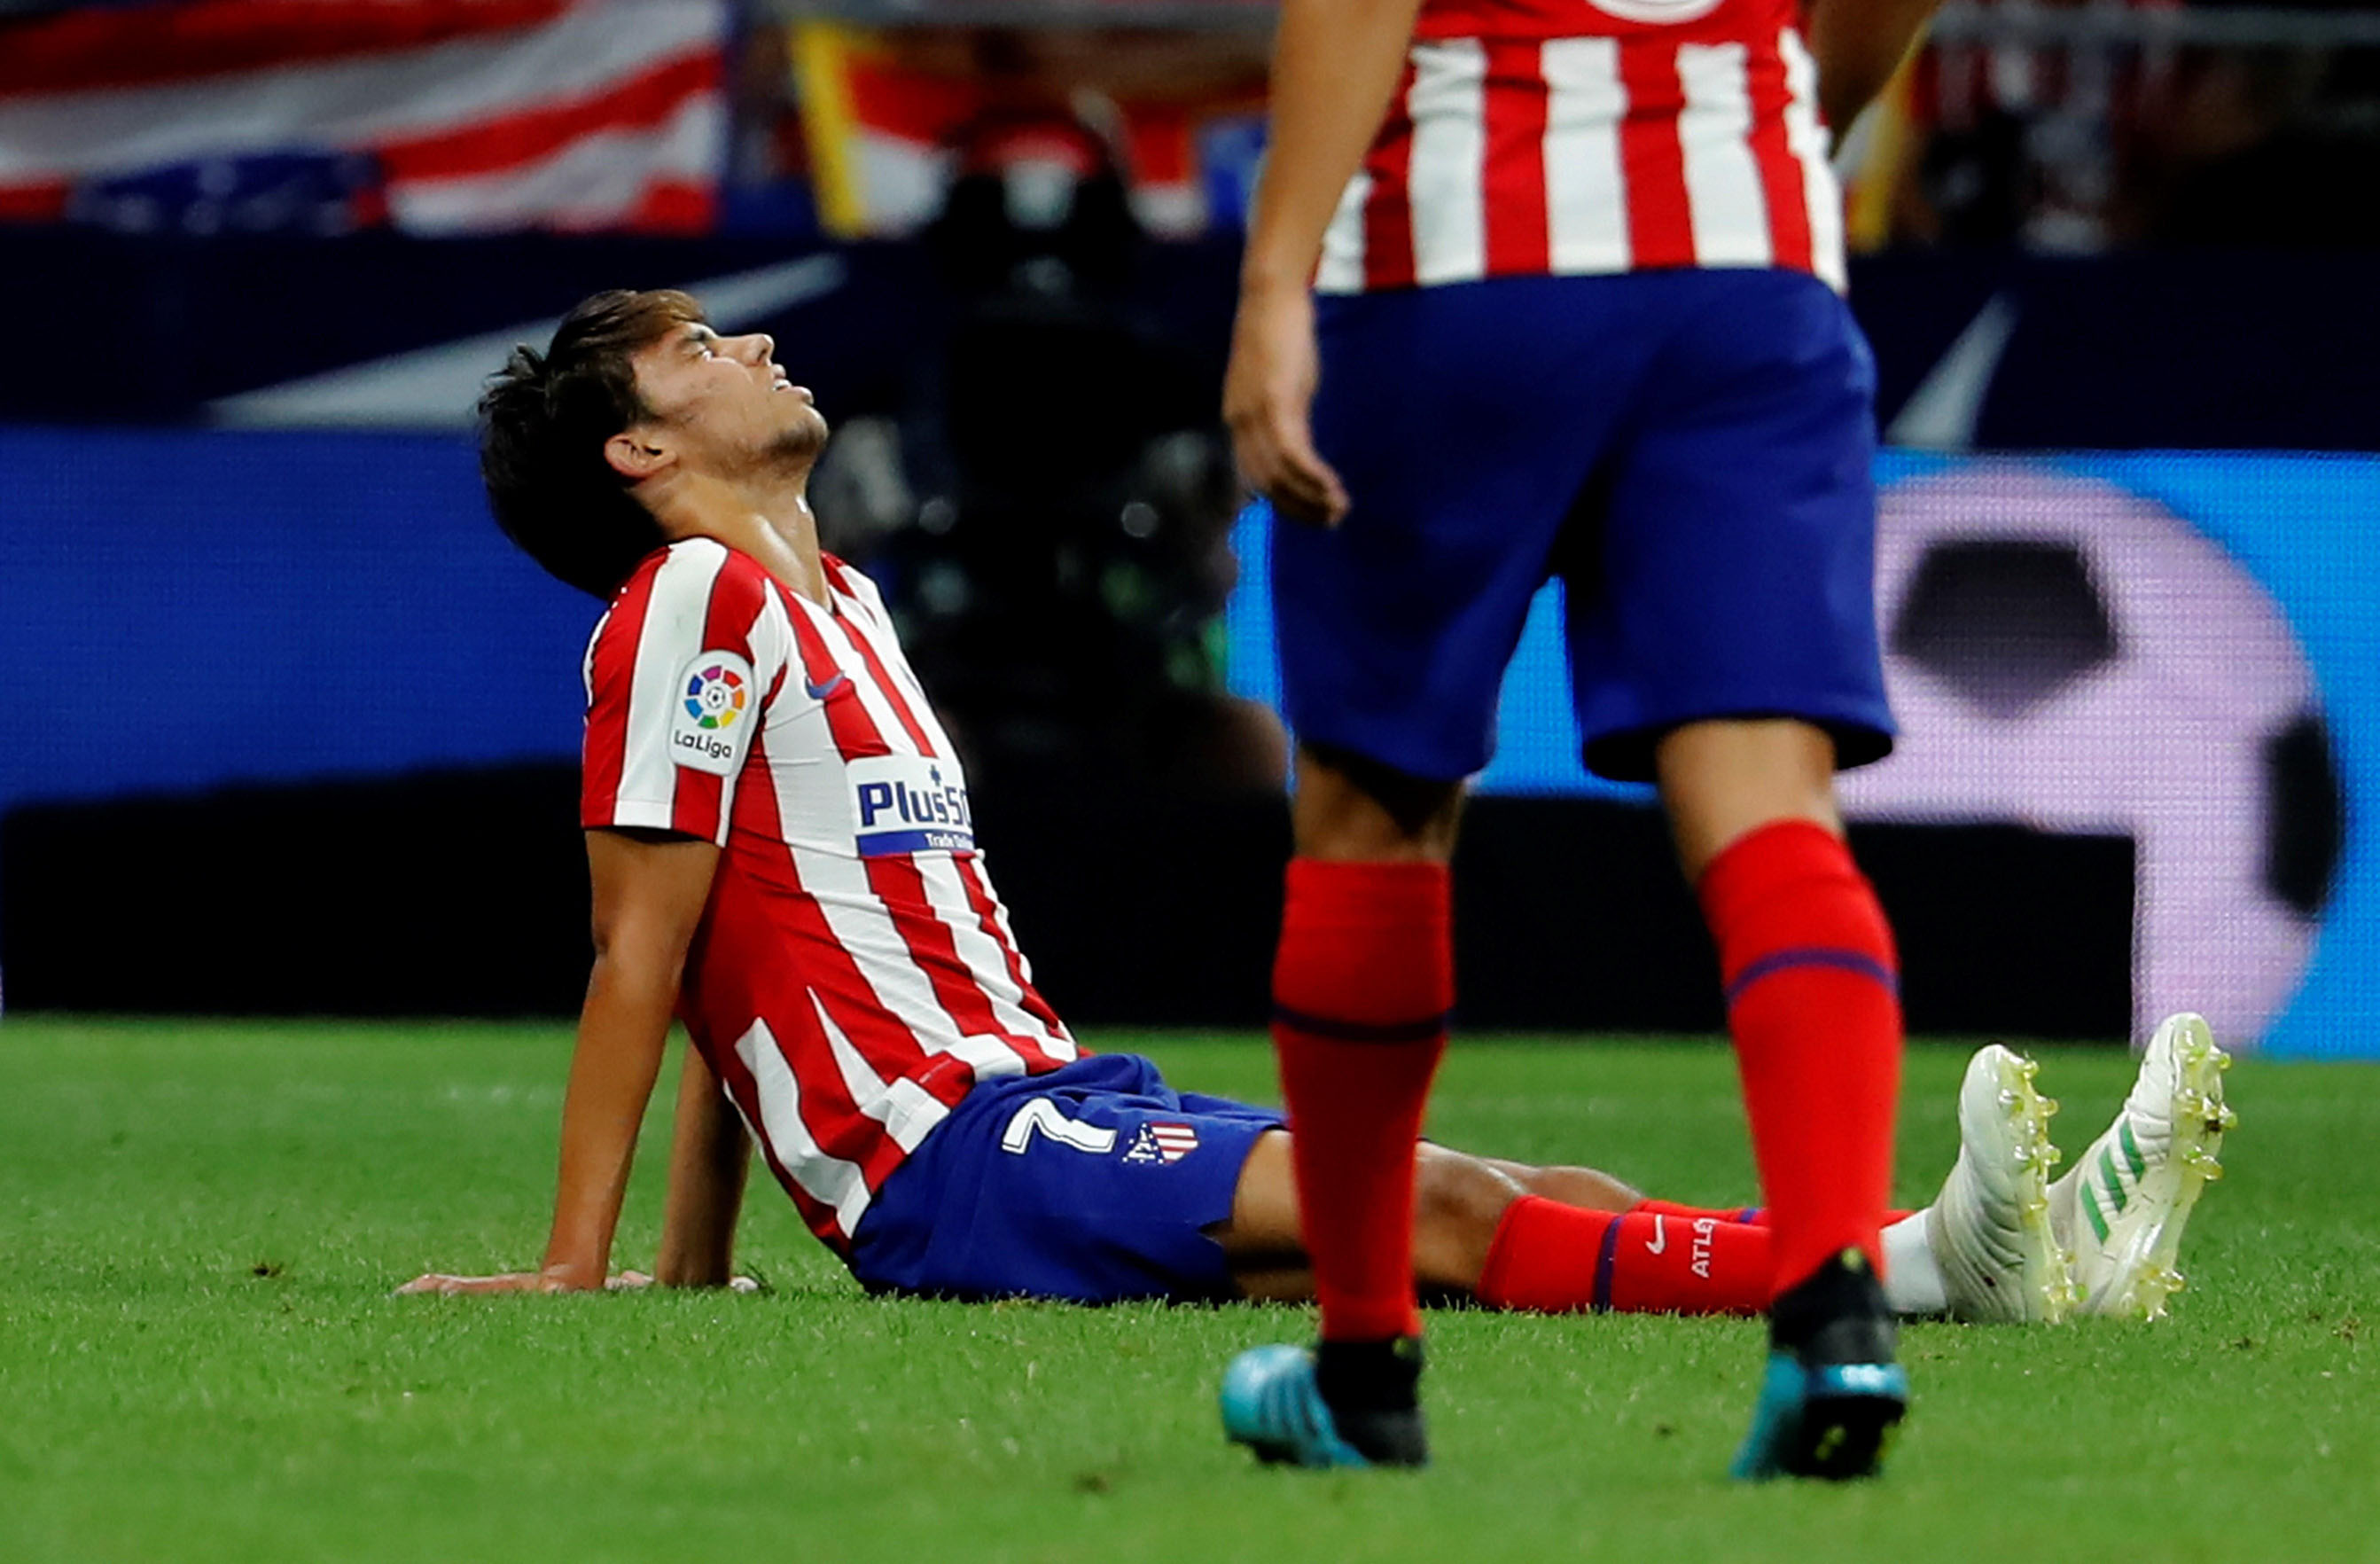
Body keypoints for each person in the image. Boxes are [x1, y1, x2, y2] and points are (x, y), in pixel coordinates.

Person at [402, 293, 2232, 1374]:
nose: (755, 343)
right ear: (642, 456)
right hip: (953, 1162)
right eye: (700, 352)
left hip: (1047, 1095)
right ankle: (1923, 1266)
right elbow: (648, 949)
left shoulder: (845, 606)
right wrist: (591, 1264)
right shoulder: (680, 619)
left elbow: (738, 974)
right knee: (1431, 1209)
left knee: (1526, 1196)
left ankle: (1955, 1255)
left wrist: (702, 1261)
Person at [1215, 0, 1985, 1482]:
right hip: (1744, 255)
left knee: (1373, 811)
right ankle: (1833, 1307)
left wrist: (1271, 278)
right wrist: (1768, 135)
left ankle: (1365, 1363)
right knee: (1769, 798)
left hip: (1456, 258)